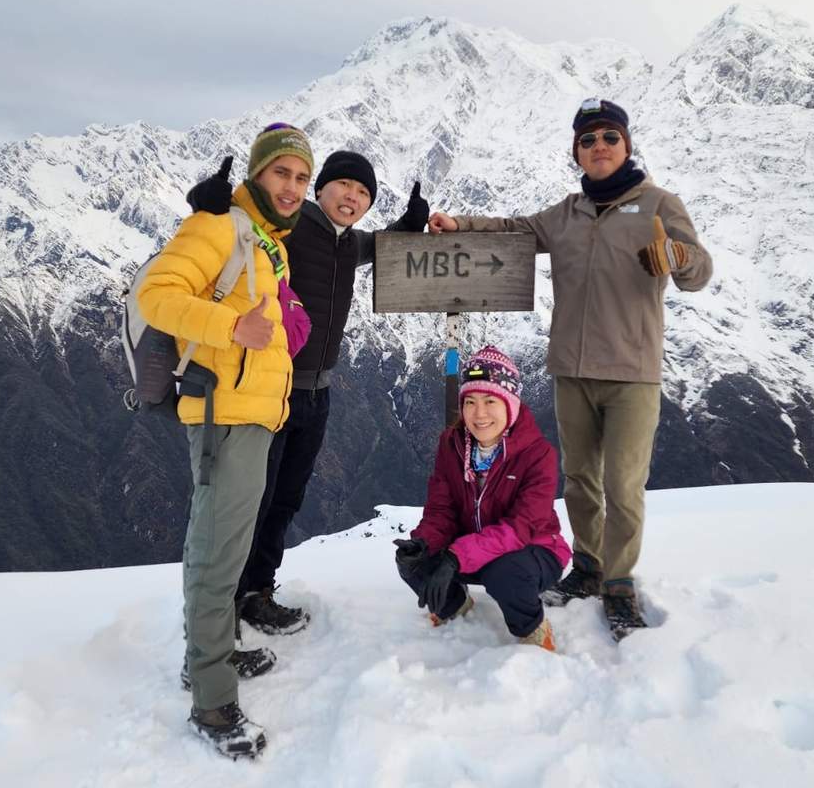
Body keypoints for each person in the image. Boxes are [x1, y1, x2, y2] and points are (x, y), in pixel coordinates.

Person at [428, 98, 713, 642]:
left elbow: (699, 271)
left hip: (632, 371)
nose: (599, 146)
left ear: (626, 145)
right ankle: (587, 565)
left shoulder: (658, 204)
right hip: (571, 369)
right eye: (588, 140)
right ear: (576, 152)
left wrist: (678, 256)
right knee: (580, 479)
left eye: (609, 137)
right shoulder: (567, 213)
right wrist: (459, 223)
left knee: (624, 483)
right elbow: (513, 230)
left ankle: (620, 580)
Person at [188, 150, 430, 635]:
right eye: (344, 186)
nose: (352, 197)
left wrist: (408, 223)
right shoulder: (289, 227)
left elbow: (377, 247)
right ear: (320, 189)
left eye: (363, 193)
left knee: (286, 498)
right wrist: (205, 205)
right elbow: (239, 223)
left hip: (318, 393)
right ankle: (225, 605)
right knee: (250, 498)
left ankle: (258, 590)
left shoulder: (349, 242)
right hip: (268, 389)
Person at [137, 123, 313, 758]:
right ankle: (212, 701)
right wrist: (233, 324)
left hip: (251, 414)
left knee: (224, 546)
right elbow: (155, 296)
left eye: (300, 177)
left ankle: (207, 658)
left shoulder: (267, 241)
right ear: (258, 175)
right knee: (216, 556)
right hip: (224, 415)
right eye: (281, 173)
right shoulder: (217, 225)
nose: (291, 187)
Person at [393, 346, 572, 650]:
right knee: (413, 562)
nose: (479, 414)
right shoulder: (451, 444)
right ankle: (456, 607)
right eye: (470, 402)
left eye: (490, 401)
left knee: (504, 573)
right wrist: (425, 542)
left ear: (510, 404)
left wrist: (456, 556)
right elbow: (441, 509)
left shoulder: (538, 455)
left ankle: (532, 630)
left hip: (534, 550)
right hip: (472, 548)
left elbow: (522, 527)